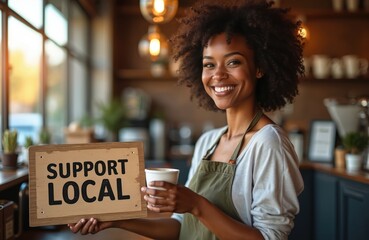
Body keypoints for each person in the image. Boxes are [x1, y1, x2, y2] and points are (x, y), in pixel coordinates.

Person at [69, 0, 304, 239]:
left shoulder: (268, 143)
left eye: (233, 62)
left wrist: (196, 204)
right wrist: (117, 220)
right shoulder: (208, 142)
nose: (218, 75)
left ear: (260, 67)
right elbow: (182, 227)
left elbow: (270, 237)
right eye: (209, 65)